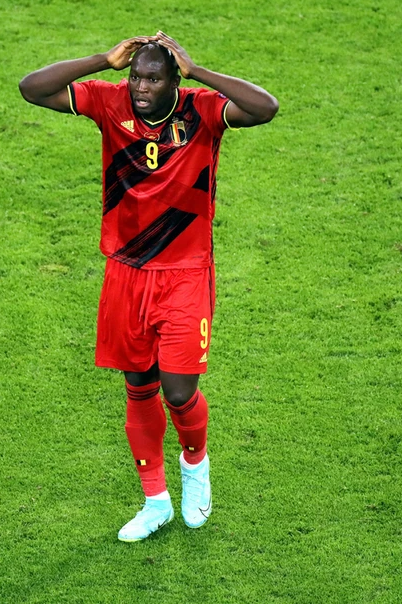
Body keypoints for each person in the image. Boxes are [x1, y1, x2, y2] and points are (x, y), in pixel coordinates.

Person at [19, 32, 278, 541]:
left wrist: (199, 71)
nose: (140, 87)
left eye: (154, 79)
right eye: (136, 76)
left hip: (185, 273)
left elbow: (264, 107)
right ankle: (155, 501)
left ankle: (195, 466)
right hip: (126, 271)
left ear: (174, 81)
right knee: (138, 386)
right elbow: (32, 88)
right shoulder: (108, 101)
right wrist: (102, 60)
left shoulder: (202, 111)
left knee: (179, 392)